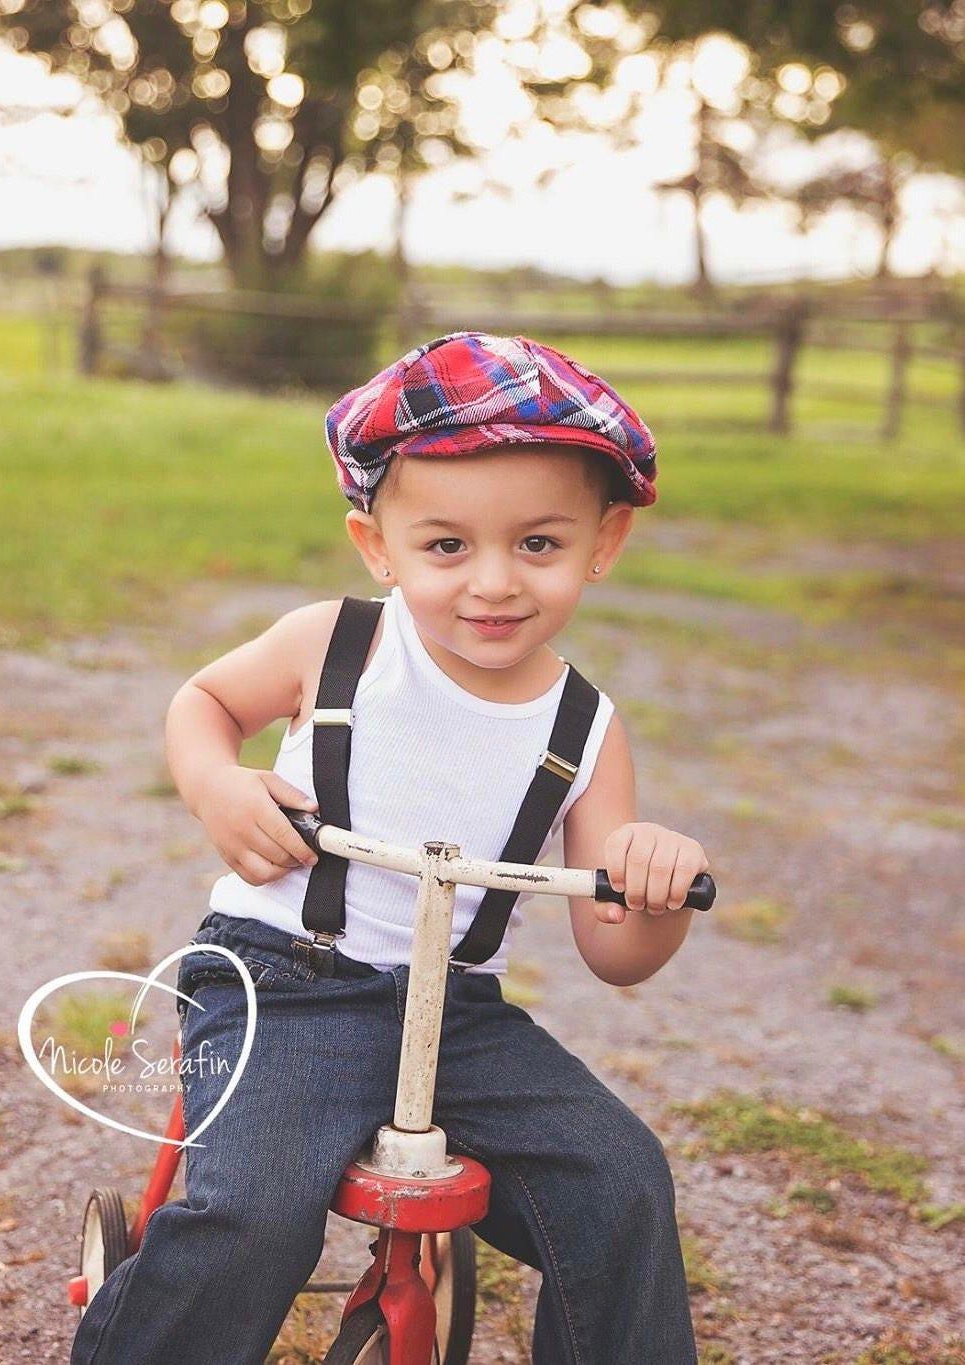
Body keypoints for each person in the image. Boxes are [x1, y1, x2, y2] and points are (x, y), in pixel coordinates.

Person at [71, 331, 711, 1365]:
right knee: (259, 1208)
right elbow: (204, 703)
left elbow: (615, 949)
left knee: (621, 1176)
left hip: (454, 1014)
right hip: (284, 981)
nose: (494, 584)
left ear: (606, 542)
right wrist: (215, 780)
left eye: (539, 545)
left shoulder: (587, 728)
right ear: (378, 545)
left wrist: (656, 889)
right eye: (447, 546)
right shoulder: (340, 642)